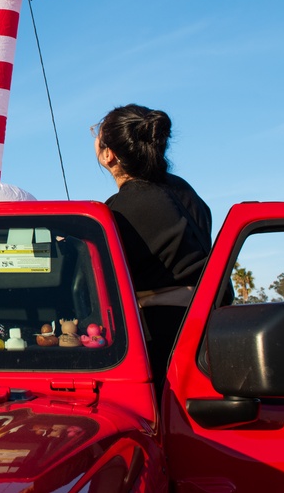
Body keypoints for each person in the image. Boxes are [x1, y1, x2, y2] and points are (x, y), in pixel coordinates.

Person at [93, 104, 212, 385]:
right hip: (210, 330)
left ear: (109, 154)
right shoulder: (184, 190)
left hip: (164, 343)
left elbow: (98, 282)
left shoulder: (119, 211)